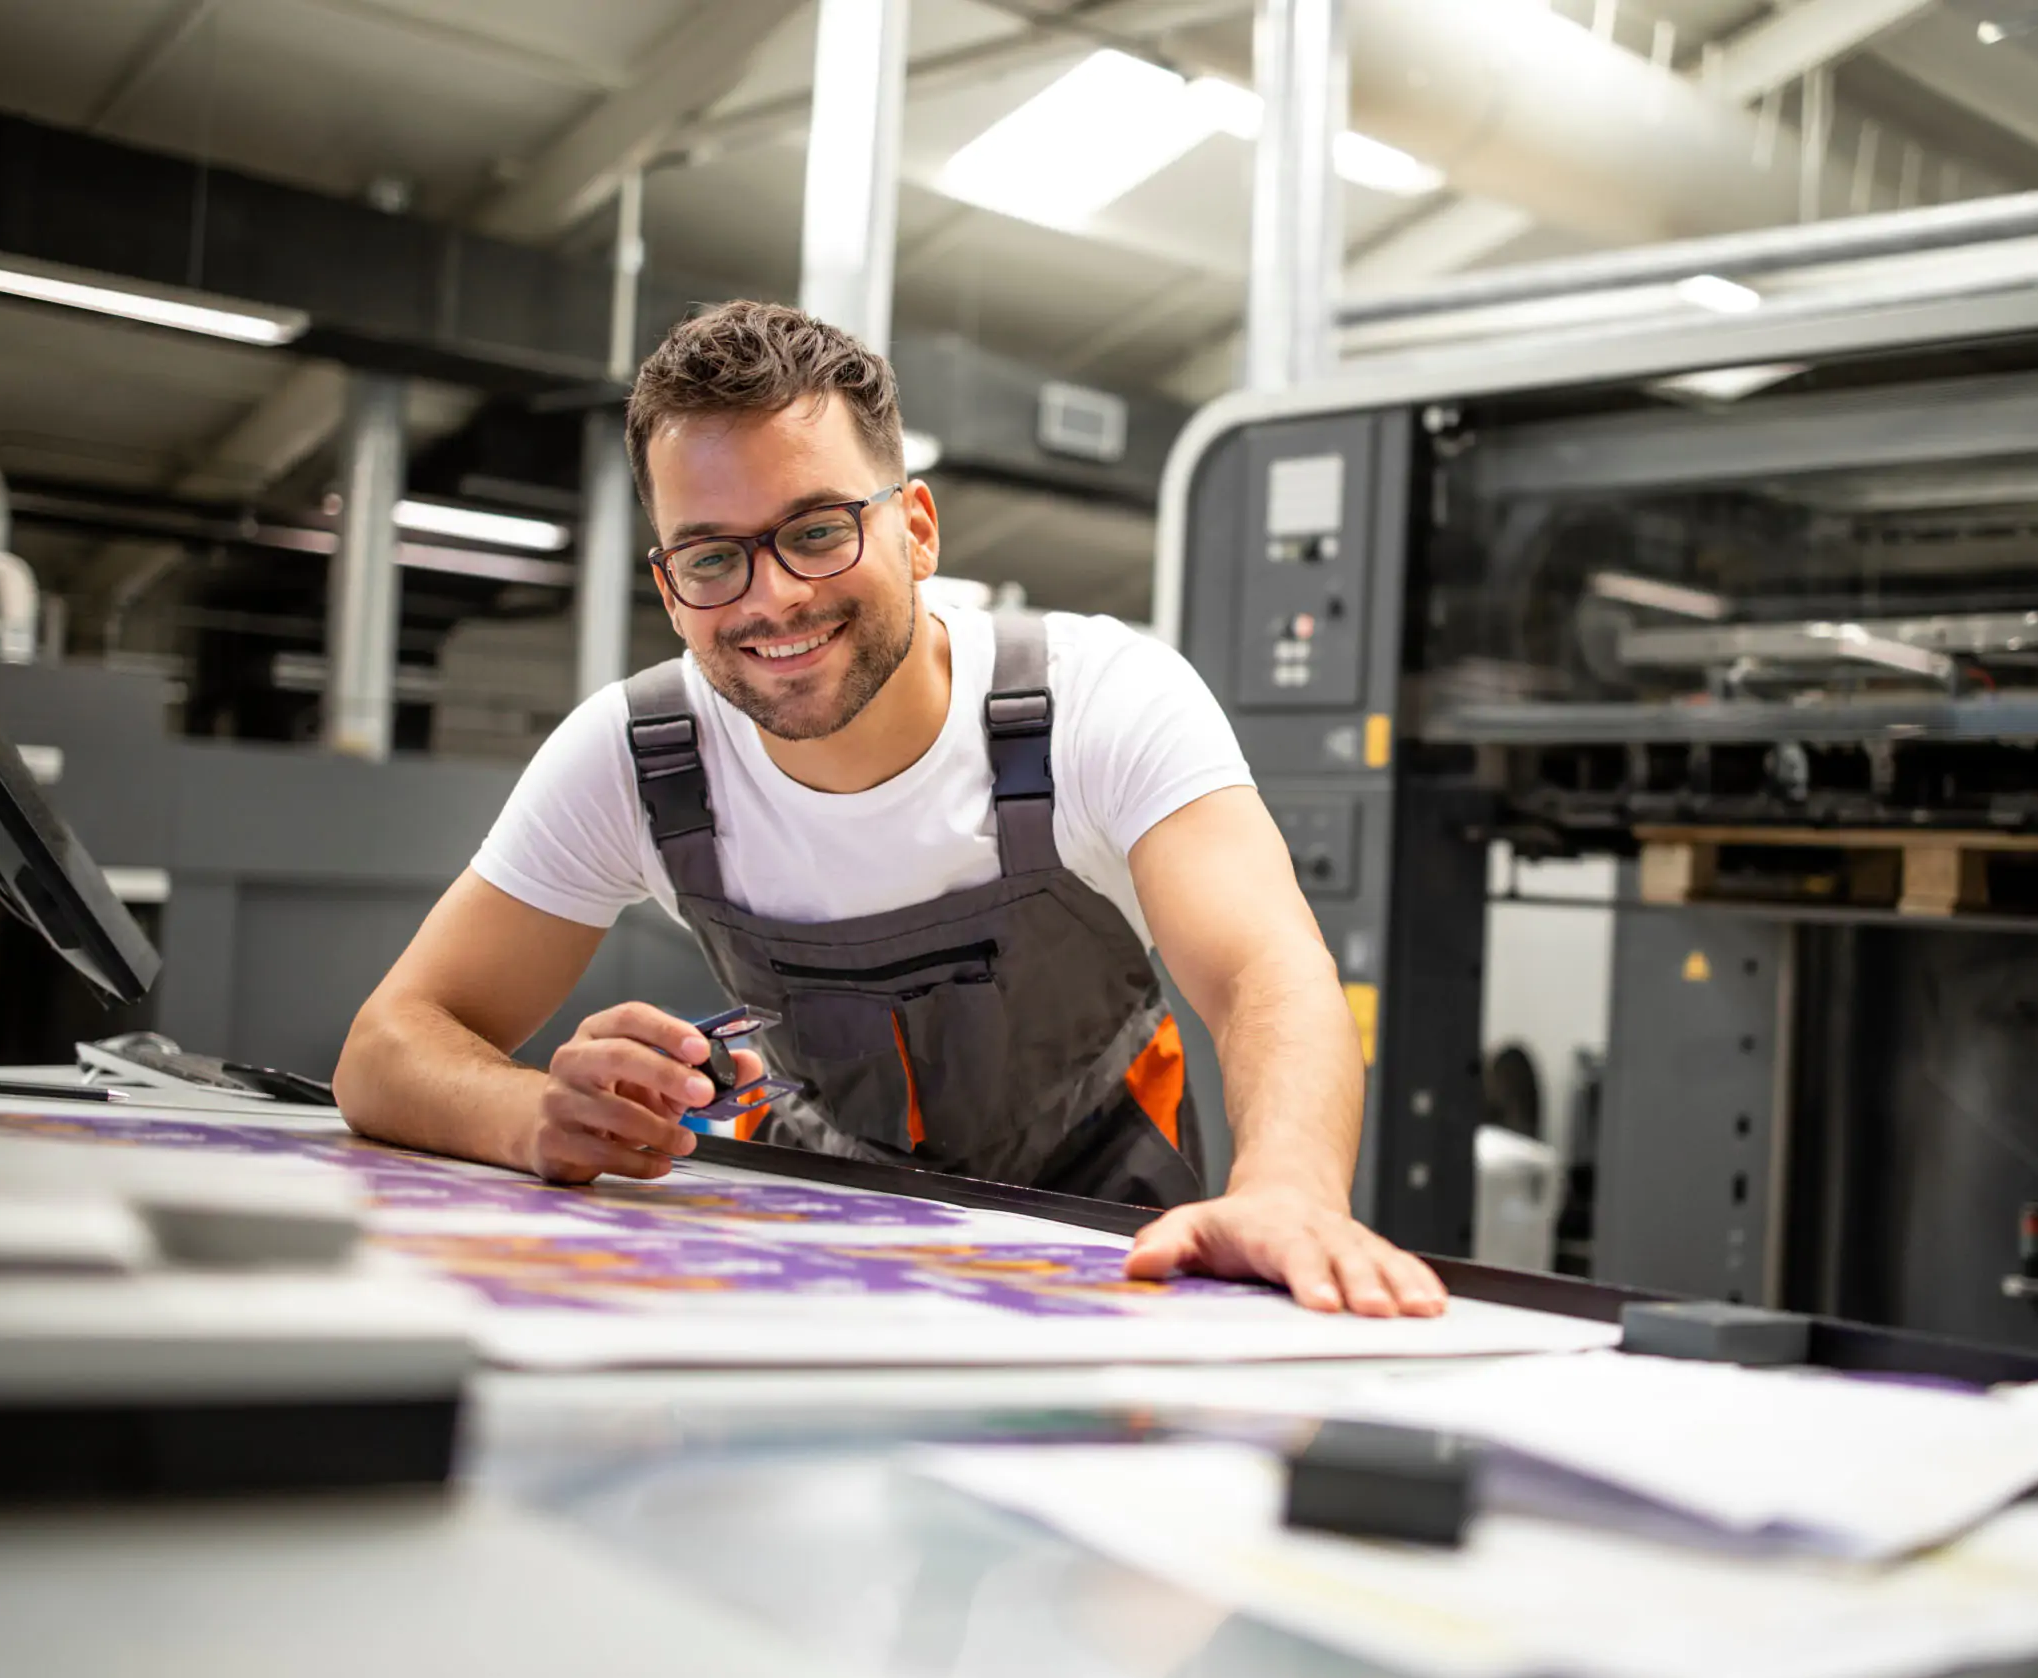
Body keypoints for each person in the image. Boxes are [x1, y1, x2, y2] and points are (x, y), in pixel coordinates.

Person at [334, 300, 1445, 1318]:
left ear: (914, 528)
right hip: (808, 1249)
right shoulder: (637, 757)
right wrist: (534, 1118)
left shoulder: (1098, 702)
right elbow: (388, 1046)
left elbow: (1269, 975)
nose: (773, 596)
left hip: (1107, 1246)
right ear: (670, 591)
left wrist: (1291, 1193)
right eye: (714, 557)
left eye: (817, 531)